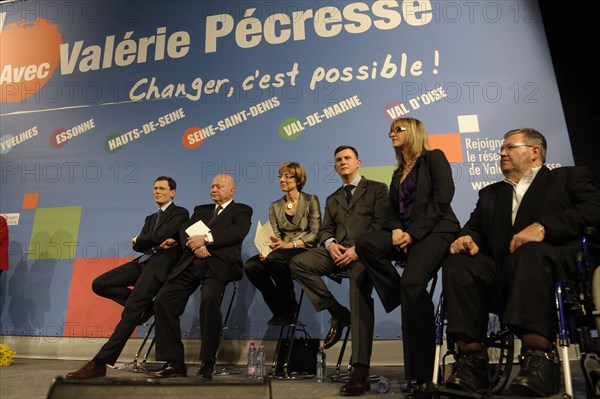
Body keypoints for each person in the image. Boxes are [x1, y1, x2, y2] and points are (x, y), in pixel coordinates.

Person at [442, 128, 600, 397]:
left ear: (534, 152)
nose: (502, 152)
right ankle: (472, 363)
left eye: (510, 147)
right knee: (459, 264)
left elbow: (592, 210)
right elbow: (475, 226)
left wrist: (543, 227)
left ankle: (539, 360)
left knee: (530, 253)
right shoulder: (491, 193)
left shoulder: (568, 177)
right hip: (502, 272)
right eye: (502, 149)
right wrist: (467, 237)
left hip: (553, 266)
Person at [352, 117, 460, 395]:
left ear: (414, 132)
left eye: (398, 129)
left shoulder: (433, 158)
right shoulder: (397, 171)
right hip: (409, 234)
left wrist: (412, 233)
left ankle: (426, 375)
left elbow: (442, 197)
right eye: (390, 130)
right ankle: (396, 294)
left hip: (437, 231)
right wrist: (399, 230)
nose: (392, 134)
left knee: (414, 286)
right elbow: (391, 213)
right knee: (366, 242)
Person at [66, 176, 189, 379]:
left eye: (162, 188)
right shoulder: (150, 218)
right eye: (155, 188)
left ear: (172, 192)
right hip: (143, 262)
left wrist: (144, 241)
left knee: (131, 311)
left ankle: (99, 363)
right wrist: (150, 242)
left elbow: (148, 239)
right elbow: (141, 244)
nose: (157, 191)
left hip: (160, 266)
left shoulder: (181, 213)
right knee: (100, 283)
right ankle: (146, 309)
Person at [290, 145, 388, 380]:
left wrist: (358, 249)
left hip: (364, 254)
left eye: (347, 158)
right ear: (335, 167)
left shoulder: (377, 189)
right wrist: (331, 244)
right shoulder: (332, 198)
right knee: (299, 262)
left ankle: (360, 366)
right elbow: (325, 230)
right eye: (338, 160)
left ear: (358, 162)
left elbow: (381, 225)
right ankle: (337, 312)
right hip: (337, 253)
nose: (343, 162)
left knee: (359, 291)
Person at [149, 173, 252, 379]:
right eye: (212, 186)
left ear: (231, 190)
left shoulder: (241, 210)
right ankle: (174, 362)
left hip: (219, 265)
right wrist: (196, 247)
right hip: (192, 263)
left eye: (219, 186)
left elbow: (237, 234)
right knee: (163, 300)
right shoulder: (201, 210)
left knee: (209, 300)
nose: (214, 189)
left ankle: (207, 362)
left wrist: (206, 240)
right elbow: (184, 231)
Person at [245, 162, 321, 325]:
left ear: (298, 180)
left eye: (287, 176)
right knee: (252, 266)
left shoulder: (311, 200)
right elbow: (276, 235)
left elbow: (315, 234)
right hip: (280, 251)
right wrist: (266, 250)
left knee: (276, 258)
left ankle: (289, 305)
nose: (282, 180)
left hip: (304, 249)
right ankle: (279, 308)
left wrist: (290, 245)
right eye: (280, 176)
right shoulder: (275, 205)